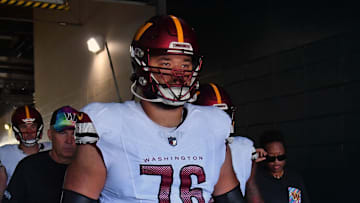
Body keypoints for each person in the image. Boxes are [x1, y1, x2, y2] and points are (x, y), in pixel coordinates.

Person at [61, 15, 243, 203]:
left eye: (185, 64)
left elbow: (229, 197)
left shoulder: (212, 124)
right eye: (166, 64)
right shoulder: (108, 124)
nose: (178, 74)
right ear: (141, 63)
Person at [194, 83, 264, 203]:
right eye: (212, 116)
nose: (219, 122)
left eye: (223, 115)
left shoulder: (244, 147)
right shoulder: (179, 149)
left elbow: (251, 188)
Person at [3, 106, 78, 203]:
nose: (69, 140)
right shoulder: (27, 167)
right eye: (62, 133)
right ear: (50, 134)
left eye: (75, 133)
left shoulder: (93, 167)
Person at [0, 105, 51, 202]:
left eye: (33, 126)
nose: (29, 132)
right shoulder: (3, 154)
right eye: (24, 127)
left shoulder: (53, 148)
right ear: (16, 129)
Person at [255, 130, 310, 203]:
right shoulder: (256, 179)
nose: (276, 162)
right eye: (271, 158)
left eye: (281, 157)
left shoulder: (295, 178)